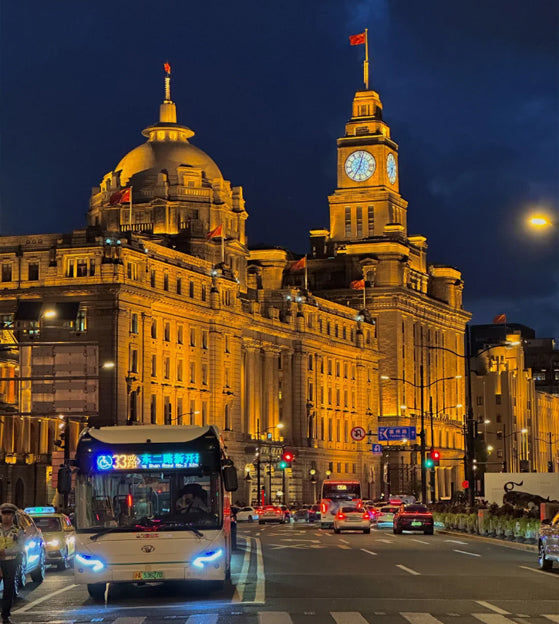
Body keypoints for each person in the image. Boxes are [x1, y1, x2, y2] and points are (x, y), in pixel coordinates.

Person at [0, 503, 24, 624]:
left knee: (8, 589)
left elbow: (20, 547)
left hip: (10, 562)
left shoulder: (18, 531)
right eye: (4, 514)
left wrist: (6, 551)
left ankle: (5, 615)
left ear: (13, 516)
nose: (6, 517)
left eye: (9, 514)